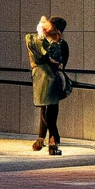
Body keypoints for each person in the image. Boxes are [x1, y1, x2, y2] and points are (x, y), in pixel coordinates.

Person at [24, 14, 72, 155]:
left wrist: (50, 60)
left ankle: (49, 140)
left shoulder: (53, 43)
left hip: (49, 78)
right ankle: (48, 140)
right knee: (48, 110)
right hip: (48, 78)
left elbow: (52, 59)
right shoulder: (48, 41)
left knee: (47, 111)